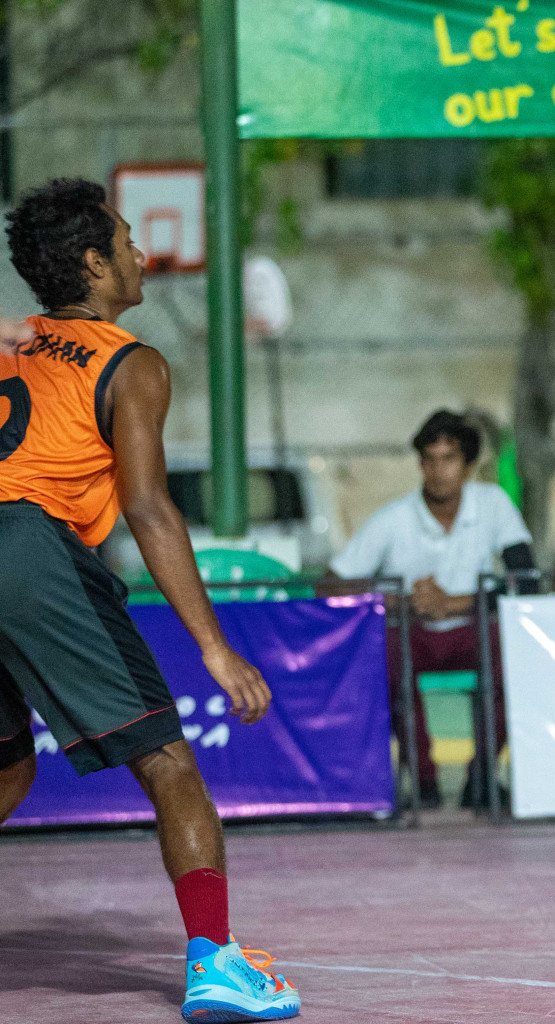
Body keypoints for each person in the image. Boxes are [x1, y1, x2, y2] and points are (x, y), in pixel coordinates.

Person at [0, 179, 300, 1021]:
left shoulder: (13, 343)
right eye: (127, 241)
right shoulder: (129, 363)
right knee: (170, 764)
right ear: (96, 265)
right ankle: (215, 965)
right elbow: (149, 506)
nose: (142, 254)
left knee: (9, 770)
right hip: (28, 549)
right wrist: (213, 644)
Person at [328, 409, 532, 809]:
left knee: (515, 659)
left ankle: (483, 778)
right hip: (412, 633)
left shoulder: (492, 503)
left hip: (472, 630)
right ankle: (423, 782)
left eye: (449, 459)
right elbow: (332, 583)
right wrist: (401, 603)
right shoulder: (394, 518)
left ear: (469, 466)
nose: (438, 471)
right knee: (382, 663)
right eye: (429, 460)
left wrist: (455, 602)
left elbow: (526, 578)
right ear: (420, 464)